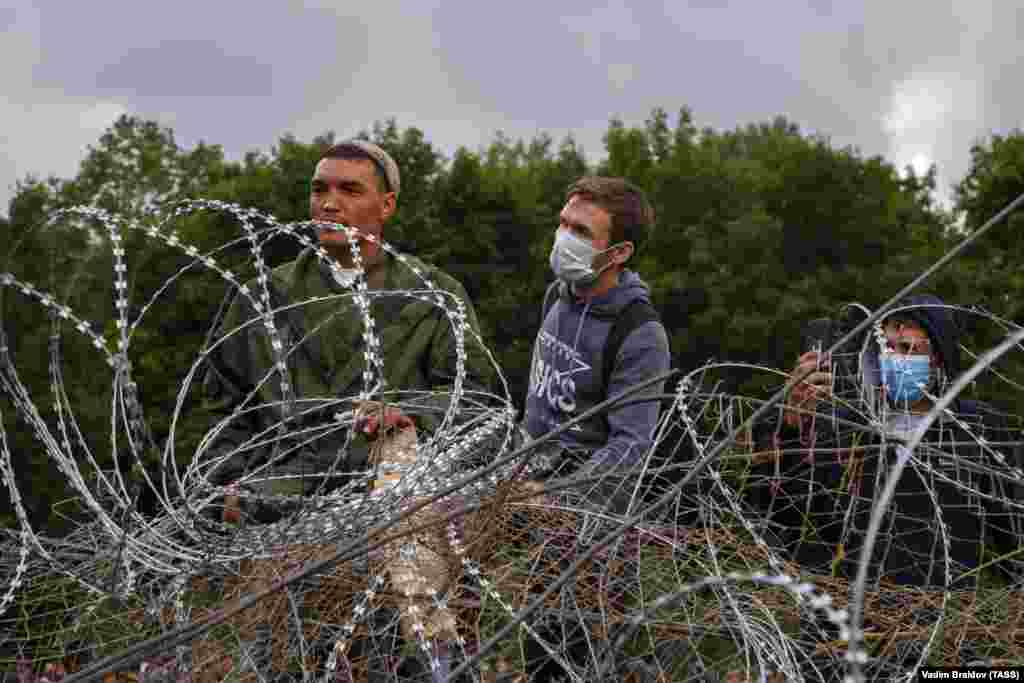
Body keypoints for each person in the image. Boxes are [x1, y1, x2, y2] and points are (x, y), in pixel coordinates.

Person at [197, 140, 494, 679]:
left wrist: (410, 415)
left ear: (386, 206)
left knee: (408, 660)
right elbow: (223, 410)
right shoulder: (263, 298)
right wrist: (230, 487)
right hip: (285, 518)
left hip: (396, 517)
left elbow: (476, 400)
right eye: (319, 190)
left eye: (349, 190)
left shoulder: (434, 295)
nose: (328, 204)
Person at [748, 294, 1024, 673]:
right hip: (847, 639)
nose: (895, 358)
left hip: (943, 635)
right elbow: (787, 517)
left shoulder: (978, 432)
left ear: (939, 358)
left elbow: (1015, 537)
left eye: (908, 348)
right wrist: (792, 429)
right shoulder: (847, 428)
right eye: (887, 347)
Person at [519, 176, 671, 681]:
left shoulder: (640, 333)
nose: (563, 238)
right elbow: (539, 405)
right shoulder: (557, 298)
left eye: (581, 231)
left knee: (576, 662)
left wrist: (558, 503)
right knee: (533, 654)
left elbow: (631, 446)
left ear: (620, 251)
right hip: (528, 509)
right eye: (563, 223)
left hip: (590, 540)